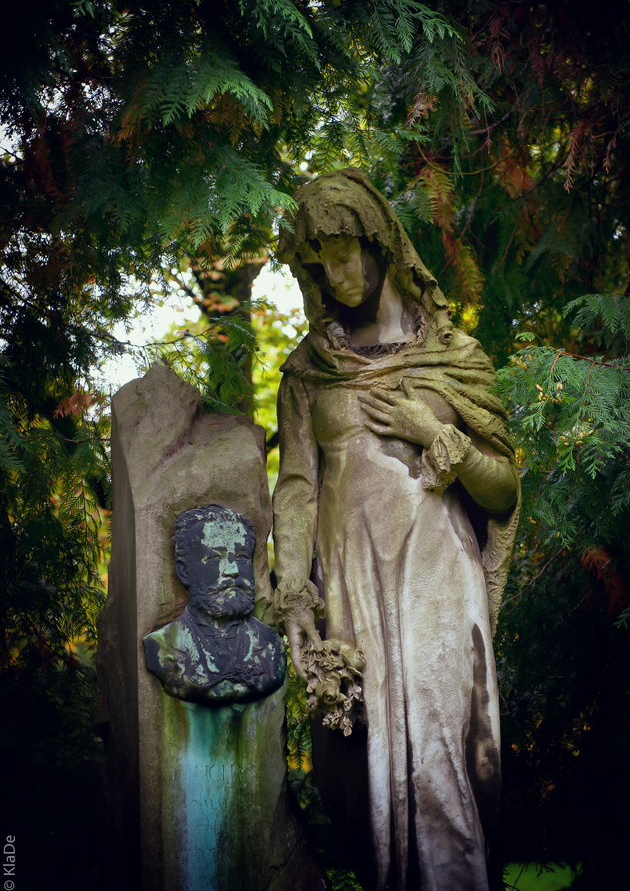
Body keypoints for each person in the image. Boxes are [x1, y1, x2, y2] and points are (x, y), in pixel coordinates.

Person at [271, 168, 520, 891]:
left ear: (381, 245)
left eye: (346, 251)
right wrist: (293, 590)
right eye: (320, 260)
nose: (337, 273)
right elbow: (295, 488)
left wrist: (433, 434)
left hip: (437, 578)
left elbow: (501, 490)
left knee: (445, 759)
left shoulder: (455, 358)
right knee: (362, 768)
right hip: (349, 580)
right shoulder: (308, 370)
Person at [143, 503, 286, 704]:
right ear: (184, 571)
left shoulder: (272, 646)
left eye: (242, 557)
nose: (232, 570)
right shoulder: (162, 646)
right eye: (214, 558)